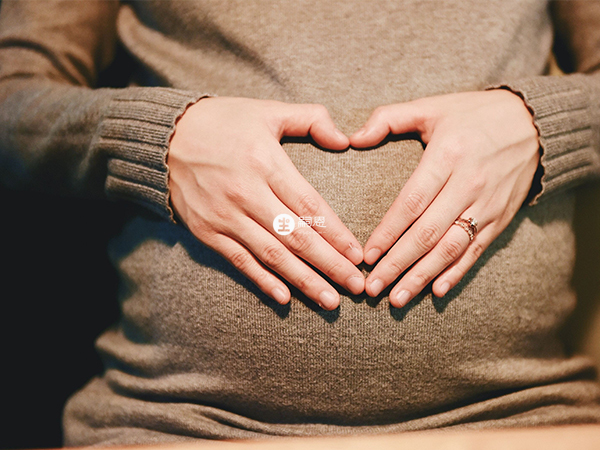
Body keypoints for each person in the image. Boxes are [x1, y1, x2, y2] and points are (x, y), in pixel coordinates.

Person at [1, 0, 599, 446]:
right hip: (179, 425)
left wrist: (542, 123)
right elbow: (11, 100)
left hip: (519, 418)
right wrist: (157, 136)